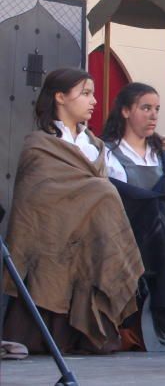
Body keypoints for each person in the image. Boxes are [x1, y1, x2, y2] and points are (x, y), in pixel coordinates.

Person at [2, 68, 143, 354]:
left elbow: (98, 196)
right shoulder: (39, 145)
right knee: (104, 192)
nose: (93, 101)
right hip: (50, 241)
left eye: (93, 93)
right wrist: (95, 194)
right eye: (85, 93)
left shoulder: (96, 146)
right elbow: (35, 203)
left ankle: (91, 331)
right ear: (60, 97)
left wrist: (95, 197)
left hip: (90, 241)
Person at [102, 82, 165, 350]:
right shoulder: (109, 154)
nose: (153, 115)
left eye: (156, 109)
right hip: (129, 238)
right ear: (125, 111)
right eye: (145, 108)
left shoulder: (160, 157)